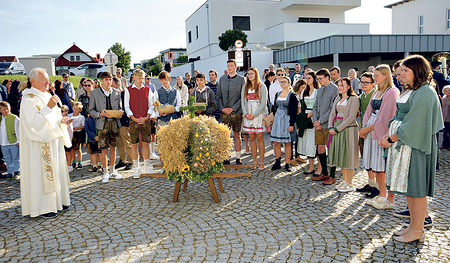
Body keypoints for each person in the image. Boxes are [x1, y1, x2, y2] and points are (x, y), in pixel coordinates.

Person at [380, 54, 443, 243]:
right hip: (407, 144)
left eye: (406, 71)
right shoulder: (415, 90)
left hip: (417, 144)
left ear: (417, 71)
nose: (402, 74)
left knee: (417, 188)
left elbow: (415, 122)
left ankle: (418, 230)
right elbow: (402, 116)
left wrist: (391, 139)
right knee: (410, 188)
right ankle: (413, 226)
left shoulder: (425, 92)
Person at [20, 67, 72, 218]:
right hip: (38, 145)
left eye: (48, 79)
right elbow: (33, 123)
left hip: (53, 143)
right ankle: (44, 207)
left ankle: (59, 201)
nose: (47, 82)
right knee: (41, 174)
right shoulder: (28, 99)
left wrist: (62, 121)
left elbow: (53, 118)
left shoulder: (48, 96)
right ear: (33, 81)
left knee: (55, 170)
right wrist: (49, 107)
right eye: (44, 80)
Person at [360, 64, 399, 209]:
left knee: (381, 165)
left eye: (376, 76)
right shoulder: (377, 92)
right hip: (371, 128)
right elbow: (368, 111)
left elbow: (386, 117)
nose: (374, 78)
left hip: (380, 130)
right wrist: (364, 127)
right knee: (375, 165)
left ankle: (386, 196)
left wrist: (369, 128)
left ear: (385, 76)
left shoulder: (392, 92)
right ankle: (381, 193)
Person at [89, 71, 123, 183]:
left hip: (114, 123)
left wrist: (118, 113)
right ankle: (105, 173)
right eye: (106, 79)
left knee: (113, 148)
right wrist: (100, 114)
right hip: (101, 124)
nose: (109, 82)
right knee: (104, 149)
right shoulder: (94, 93)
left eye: (110, 79)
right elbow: (91, 111)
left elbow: (120, 108)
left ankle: (113, 171)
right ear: (102, 81)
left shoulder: (117, 92)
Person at [328, 78, 360, 192]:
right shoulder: (338, 98)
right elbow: (332, 113)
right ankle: (345, 180)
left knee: (348, 155)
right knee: (341, 154)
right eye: (338, 85)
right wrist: (331, 127)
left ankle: (350, 183)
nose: (340, 87)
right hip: (336, 127)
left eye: (342, 85)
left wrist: (338, 129)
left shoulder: (354, 99)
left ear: (348, 86)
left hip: (348, 129)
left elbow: (352, 117)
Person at [124, 69, 157, 178]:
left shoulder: (148, 89)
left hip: (145, 120)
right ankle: (137, 168)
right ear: (134, 77)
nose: (141, 80)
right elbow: (126, 106)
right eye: (139, 78)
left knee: (146, 143)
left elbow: (151, 104)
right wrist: (133, 118)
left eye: (142, 78)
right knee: (134, 144)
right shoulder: (128, 90)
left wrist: (147, 116)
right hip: (134, 121)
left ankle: (147, 166)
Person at [311, 69, 338, 184]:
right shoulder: (320, 90)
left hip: (328, 125)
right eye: (318, 79)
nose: (319, 81)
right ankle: (324, 173)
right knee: (320, 148)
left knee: (331, 150)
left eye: (320, 79)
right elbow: (315, 106)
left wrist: (320, 121)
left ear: (328, 77)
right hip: (318, 125)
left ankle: (332, 175)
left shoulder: (335, 89)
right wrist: (315, 121)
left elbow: (333, 109)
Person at [217, 59, 246, 165]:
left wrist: (233, 108)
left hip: (237, 112)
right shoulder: (222, 79)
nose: (229, 67)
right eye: (228, 65)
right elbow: (218, 96)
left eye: (231, 65)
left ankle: (238, 157)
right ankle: (226, 156)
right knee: (226, 136)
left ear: (235, 67)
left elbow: (242, 96)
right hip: (224, 112)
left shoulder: (241, 79)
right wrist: (222, 108)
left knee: (237, 135)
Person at [241, 67, 268, 170]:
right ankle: (254, 161)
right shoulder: (245, 87)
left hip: (258, 114)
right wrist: (245, 113)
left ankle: (261, 161)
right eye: (248, 74)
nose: (250, 75)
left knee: (260, 138)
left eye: (252, 73)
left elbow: (263, 103)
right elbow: (243, 101)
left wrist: (254, 115)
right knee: (251, 137)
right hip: (248, 114)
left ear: (256, 74)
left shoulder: (262, 86)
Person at [270, 76, 298, 171]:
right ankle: (277, 161)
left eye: (284, 82)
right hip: (278, 119)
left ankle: (287, 163)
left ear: (289, 83)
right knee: (276, 142)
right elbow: (274, 108)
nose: (282, 83)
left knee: (287, 143)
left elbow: (294, 111)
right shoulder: (278, 94)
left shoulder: (292, 95)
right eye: (281, 82)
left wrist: (291, 124)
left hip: (287, 119)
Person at [355, 72, 377, 195]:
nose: (363, 84)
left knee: (374, 158)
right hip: (362, 129)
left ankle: (377, 186)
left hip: (372, 130)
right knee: (366, 157)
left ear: (373, 84)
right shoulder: (362, 96)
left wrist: (366, 129)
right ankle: (370, 182)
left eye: (366, 82)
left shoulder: (374, 95)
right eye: (362, 82)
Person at [297, 72, 319, 173]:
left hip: (314, 117)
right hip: (305, 118)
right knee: (308, 143)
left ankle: (319, 166)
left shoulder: (318, 91)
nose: (307, 80)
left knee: (316, 142)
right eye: (306, 78)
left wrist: (309, 115)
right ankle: (311, 166)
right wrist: (301, 117)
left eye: (309, 78)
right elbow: (300, 106)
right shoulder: (304, 92)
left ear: (314, 79)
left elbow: (319, 107)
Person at [112, 77, 133, 171]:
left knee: (127, 142)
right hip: (116, 122)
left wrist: (129, 122)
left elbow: (128, 107)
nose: (111, 87)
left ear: (118, 85)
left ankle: (131, 161)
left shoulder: (125, 93)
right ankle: (122, 160)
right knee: (120, 143)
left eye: (112, 85)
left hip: (124, 121)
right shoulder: (112, 94)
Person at [0, 101, 20, 179]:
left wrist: (18, 140)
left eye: (7, 109)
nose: (6, 111)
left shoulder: (14, 118)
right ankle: (10, 172)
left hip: (13, 141)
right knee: (7, 158)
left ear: (10, 108)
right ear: (0, 111)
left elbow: (18, 130)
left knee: (15, 158)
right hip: (3, 142)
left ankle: (16, 171)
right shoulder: (1, 119)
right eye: (3, 109)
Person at [144, 75, 159, 160]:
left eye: (149, 78)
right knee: (147, 135)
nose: (148, 80)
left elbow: (154, 102)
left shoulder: (152, 86)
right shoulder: (143, 88)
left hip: (152, 114)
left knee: (153, 134)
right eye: (147, 78)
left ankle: (152, 152)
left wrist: (154, 114)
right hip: (146, 115)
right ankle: (149, 153)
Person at [68, 102, 85, 169]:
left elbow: (83, 126)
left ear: (80, 110)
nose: (75, 110)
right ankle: (73, 162)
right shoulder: (69, 115)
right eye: (74, 108)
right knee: (72, 149)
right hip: (71, 133)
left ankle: (80, 162)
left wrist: (78, 128)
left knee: (78, 148)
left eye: (77, 109)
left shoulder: (81, 117)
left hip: (78, 133)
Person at [61, 105, 74, 173]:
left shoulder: (68, 119)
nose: (61, 112)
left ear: (66, 112)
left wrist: (69, 139)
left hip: (67, 137)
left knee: (68, 152)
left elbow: (70, 130)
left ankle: (70, 165)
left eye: (62, 111)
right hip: (61, 138)